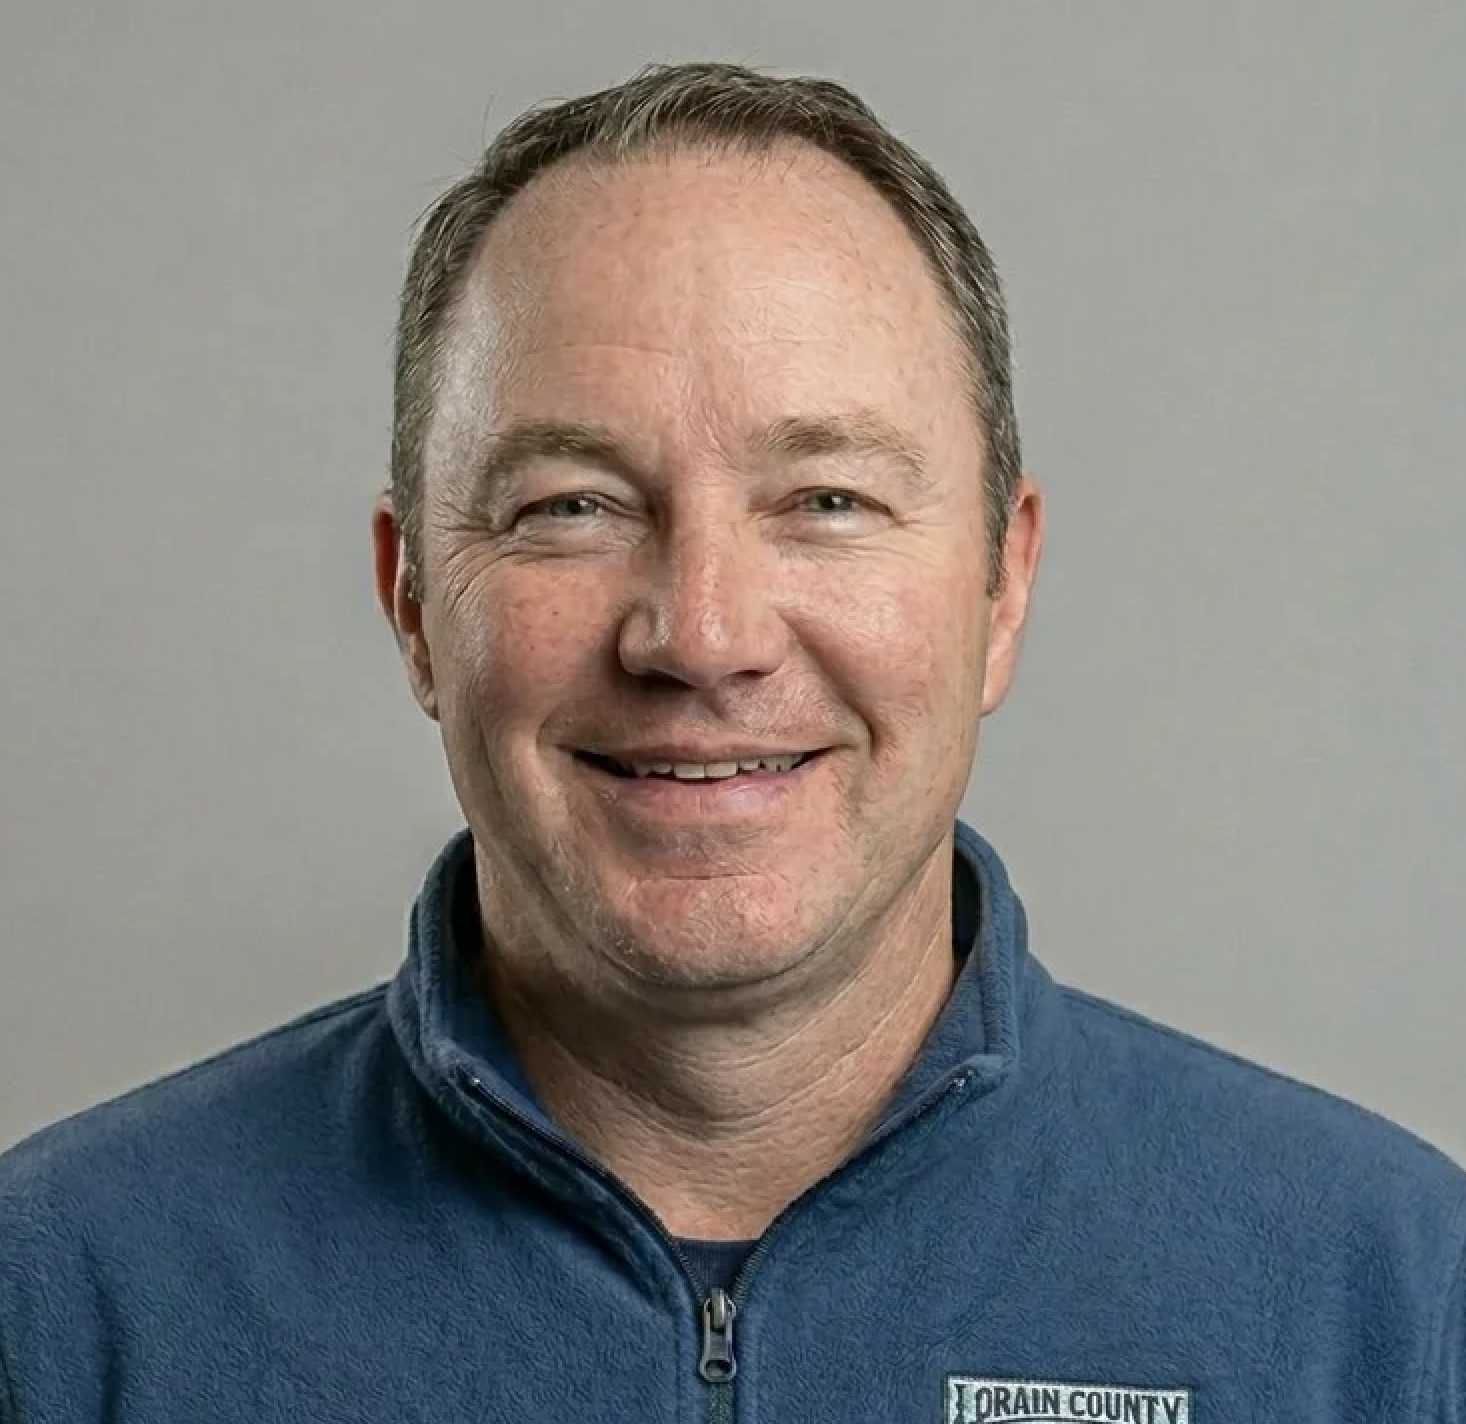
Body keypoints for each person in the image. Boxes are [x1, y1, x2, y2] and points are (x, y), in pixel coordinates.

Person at [0, 59, 1461, 1424]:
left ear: (1002, 586)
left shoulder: (1386, 1296)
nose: (701, 637)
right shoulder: (63, 1297)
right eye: (572, 505)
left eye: (827, 501)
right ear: (414, 605)